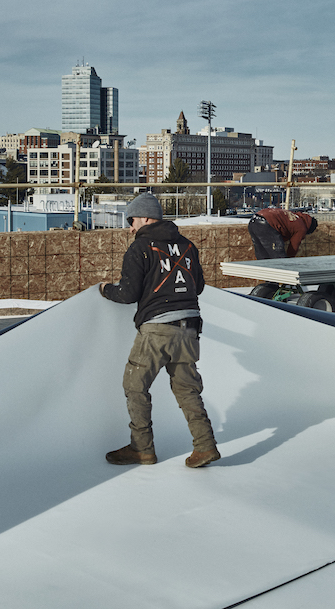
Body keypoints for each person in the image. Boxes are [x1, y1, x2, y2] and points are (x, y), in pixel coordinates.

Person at [100, 192, 220, 468]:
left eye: (131, 220)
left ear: (144, 217)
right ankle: (205, 446)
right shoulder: (188, 246)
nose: (130, 227)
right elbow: (198, 287)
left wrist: (106, 290)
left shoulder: (139, 249)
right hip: (189, 326)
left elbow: (128, 294)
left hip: (157, 328)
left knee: (134, 385)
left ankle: (142, 448)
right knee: (187, 389)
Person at [248, 207, 317, 259]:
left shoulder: (294, 216)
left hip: (254, 220)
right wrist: (287, 262)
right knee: (279, 257)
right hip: (267, 224)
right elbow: (293, 248)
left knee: (262, 255)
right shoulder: (302, 228)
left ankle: (264, 276)